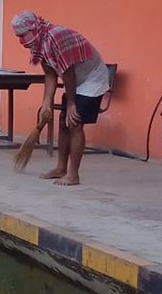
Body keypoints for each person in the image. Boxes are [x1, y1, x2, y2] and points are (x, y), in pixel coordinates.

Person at [11, 10, 109, 186]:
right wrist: (46, 103)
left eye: (22, 35)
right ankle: (60, 168)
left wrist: (72, 104)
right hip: (76, 80)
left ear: (32, 29)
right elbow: (50, 74)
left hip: (92, 79)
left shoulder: (54, 38)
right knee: (63, 121)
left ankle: (73, 175)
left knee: (75, 123)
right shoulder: (39, 44)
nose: (21, 41)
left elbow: (68, 73)